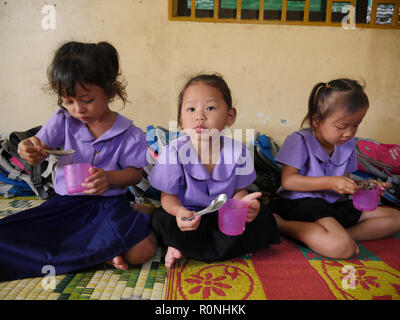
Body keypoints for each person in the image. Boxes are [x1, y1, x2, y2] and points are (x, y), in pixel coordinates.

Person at [0, 41, 156, 281]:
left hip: (107, 207)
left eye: (87, 99)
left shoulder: (129, 133)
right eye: (68, 101)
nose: (78, 110)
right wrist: (28, 148)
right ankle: (102, 254)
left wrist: (109, 178)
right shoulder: (63, 120)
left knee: (141, 251)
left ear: (111, 92)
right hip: (66, 205)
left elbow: (135, 174)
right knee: (10, 235)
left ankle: (130, 223)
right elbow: (39, 145)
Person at [148, 73, 280, 269]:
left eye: (210, 108)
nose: (199, 116)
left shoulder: (238, 151)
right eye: (191, 109)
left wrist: (244, 205)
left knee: (263, 215)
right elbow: (168, 197)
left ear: (230, 116)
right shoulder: (173, 152)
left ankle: (184, 248)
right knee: (161, 218)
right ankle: (176, 244)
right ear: (180, 119)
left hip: (224, 216)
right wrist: (179, 212)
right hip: (189, 217)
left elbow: (239, 192)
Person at [268, 79, 400, 259]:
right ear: (316, 120)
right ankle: (280, 224)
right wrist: (331, 181)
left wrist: (365, 185)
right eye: (342, 126)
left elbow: (343, 181)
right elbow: (288, 181)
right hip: (302, 203)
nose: (349, 133)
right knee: (343, 249)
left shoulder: (347, 144)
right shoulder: (299, 140)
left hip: (333, 203)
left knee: (395, 218)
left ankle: (338, 236)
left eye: (356, 125)